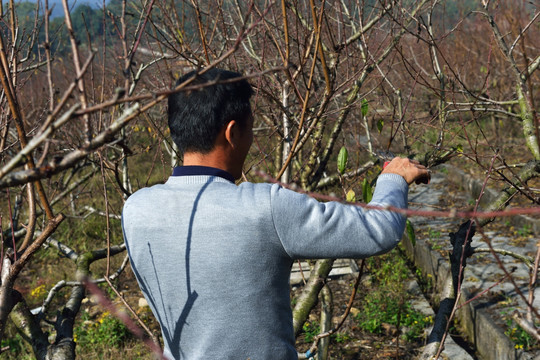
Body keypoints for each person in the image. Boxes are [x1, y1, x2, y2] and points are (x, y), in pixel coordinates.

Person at [122, 68, 429, 360]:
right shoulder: (262, 208)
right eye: (250, 127)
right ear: (232, 132)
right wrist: (394, 177)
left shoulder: (136, 210)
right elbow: (380, 229)